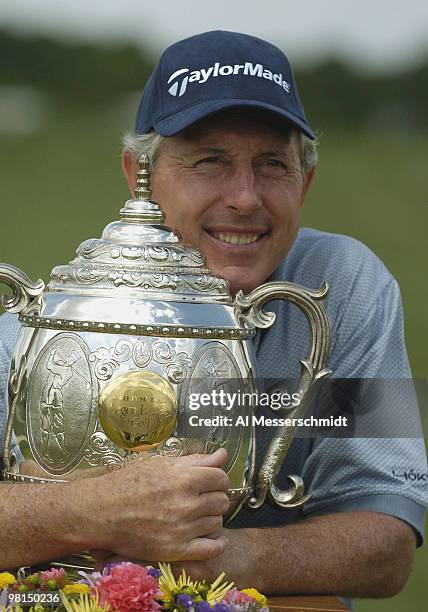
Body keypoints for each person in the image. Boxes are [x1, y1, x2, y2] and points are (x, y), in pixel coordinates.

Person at [0, 30, 427, 600]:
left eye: (273, 163)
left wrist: (212, 558)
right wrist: (88, 511)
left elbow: (387, 542)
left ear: (306, 181)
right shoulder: (60, 318)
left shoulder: (342, 285)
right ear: (139, 176)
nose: (245, 197)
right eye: (210, 161)